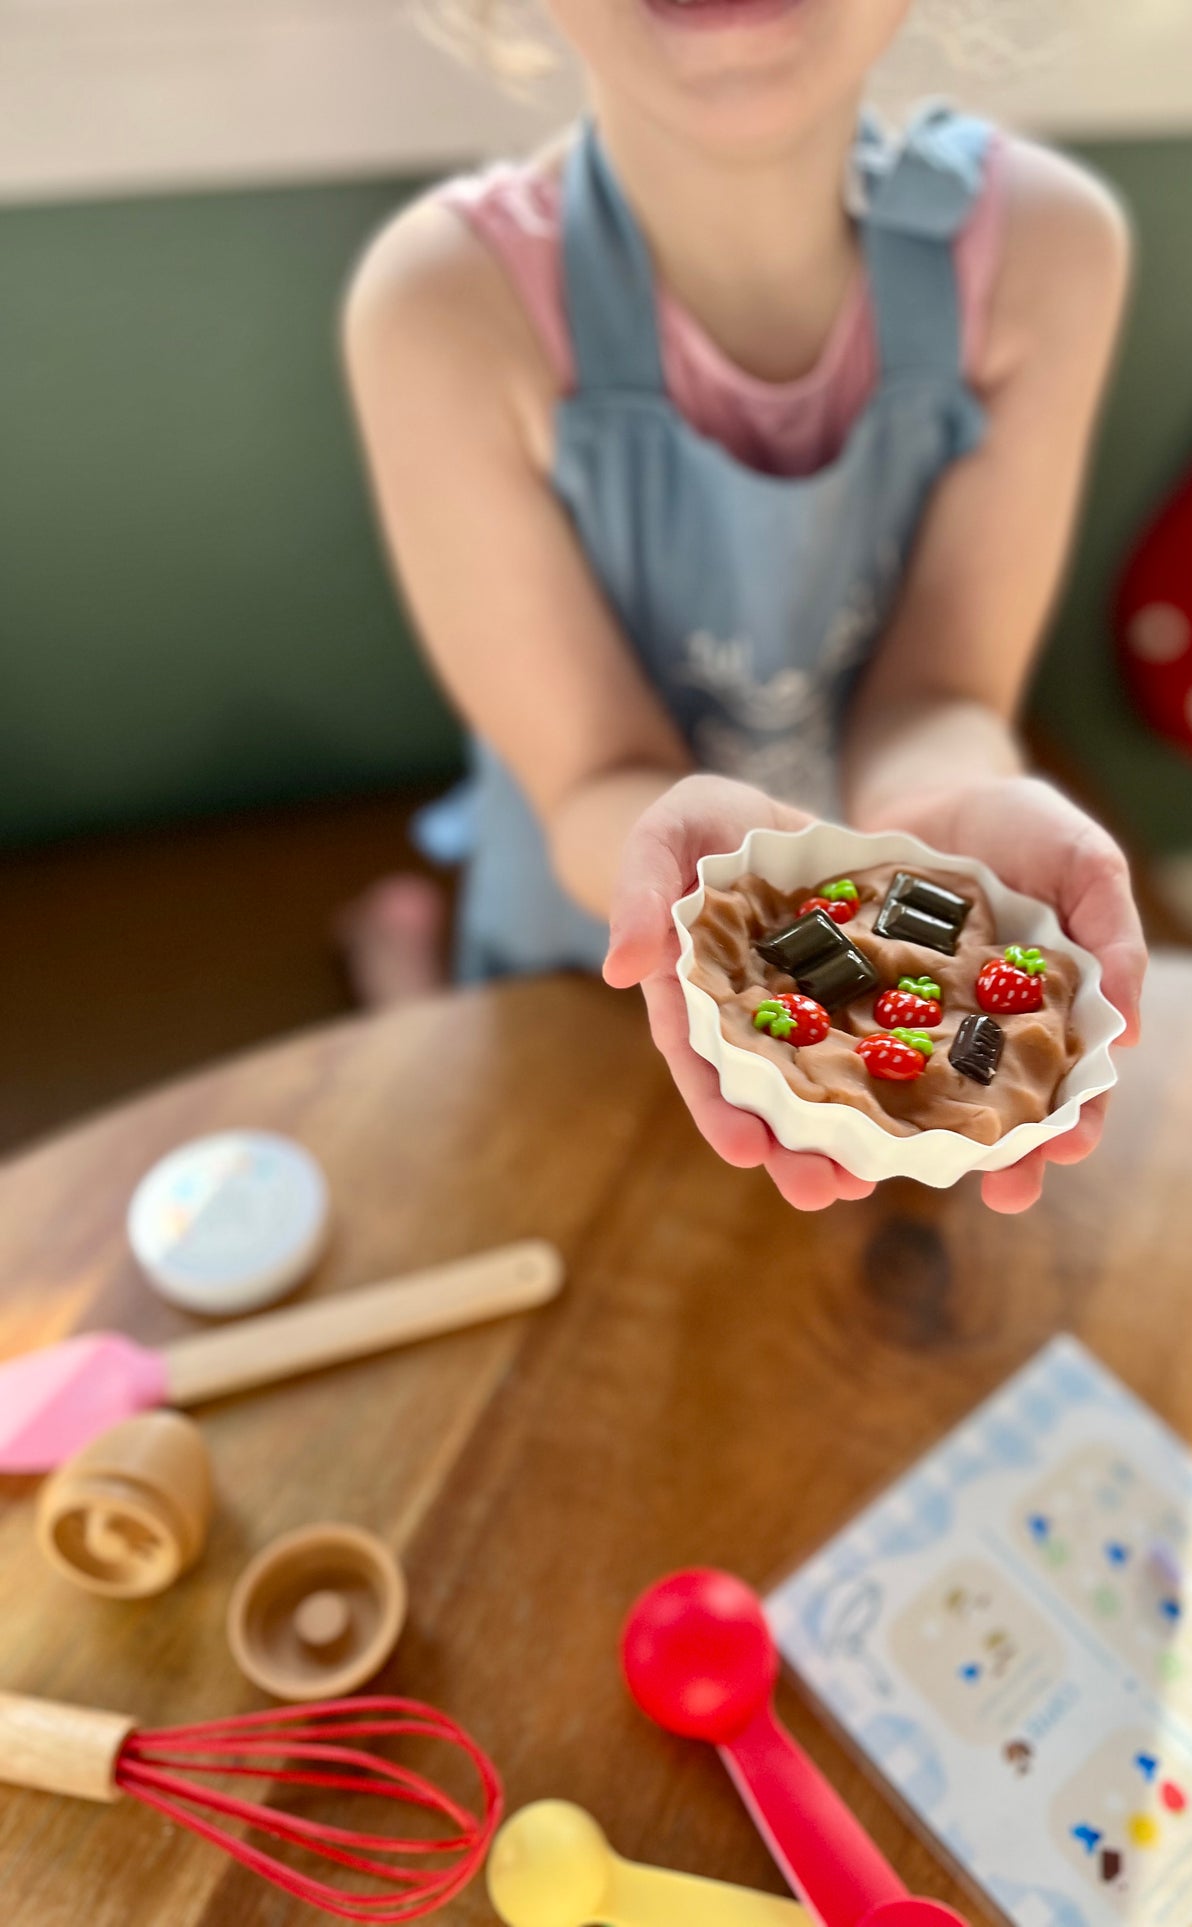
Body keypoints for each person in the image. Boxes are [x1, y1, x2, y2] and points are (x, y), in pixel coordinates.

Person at [343, 0, 1147, 1212]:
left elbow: (939, 693)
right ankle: (396, 959)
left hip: (869, 916)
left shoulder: (1047, 253)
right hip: (596, 914)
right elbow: (593, 773)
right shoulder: (443, 308)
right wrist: (695, 878)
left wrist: (949, 813)